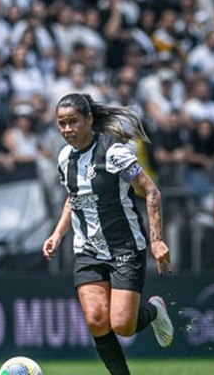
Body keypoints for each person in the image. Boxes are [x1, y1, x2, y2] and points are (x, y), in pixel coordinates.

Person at [42, 93, 174, 375]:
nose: (67, 130)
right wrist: (57, 234)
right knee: (95, 318)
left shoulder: (115, 152)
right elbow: (73, 198)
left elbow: (151, 191)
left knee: (123, 325)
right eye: (61, 124)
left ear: (89, 119)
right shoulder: (65, 158)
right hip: (87, 250)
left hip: (124, 247)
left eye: (73, 122)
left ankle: (153, 311)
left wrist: (157, 240)